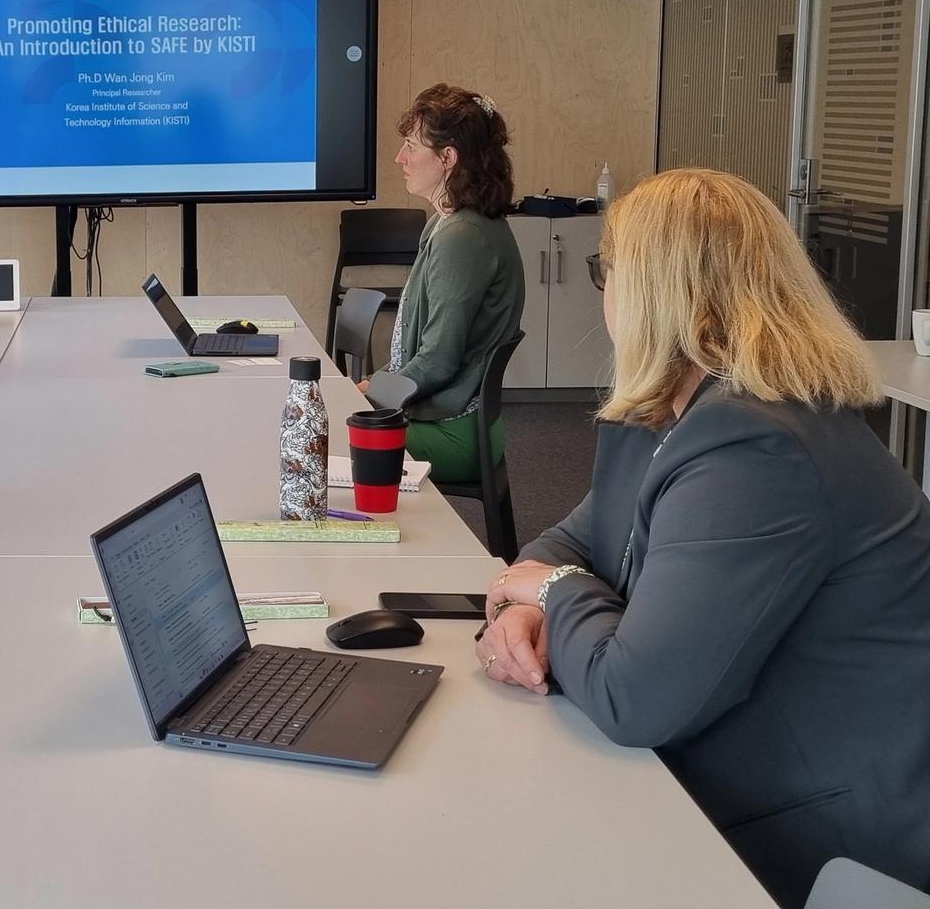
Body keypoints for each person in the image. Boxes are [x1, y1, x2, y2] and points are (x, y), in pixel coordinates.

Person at [477, 168, 930, 906]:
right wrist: (522, 609)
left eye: (606, 270)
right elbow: (562, 545)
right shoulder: (664, 411)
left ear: (655, 290)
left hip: (826, 840)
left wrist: (555, 596)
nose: (603, 290)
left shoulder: (759, 443)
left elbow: (633, 697)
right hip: (713, 762)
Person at [367, 84, 525, 484]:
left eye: (411, 147)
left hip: (452, 432)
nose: (399, 158)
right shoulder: (449, 223)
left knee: (324, 439)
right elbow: (420, 352)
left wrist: (370, 393)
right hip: (447, 419)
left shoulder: (463, 236)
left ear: (447, 158)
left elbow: (438, 359)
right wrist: (373, 385)